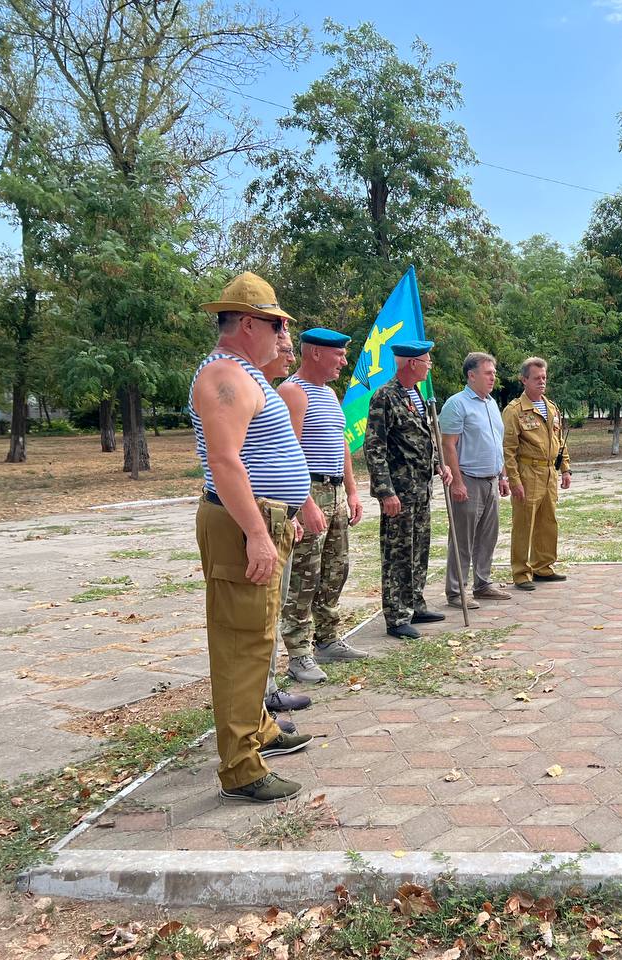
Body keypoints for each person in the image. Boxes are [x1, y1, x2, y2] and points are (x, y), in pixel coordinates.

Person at [191, 272, 312, 804]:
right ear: (247, 323)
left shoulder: (247, 374)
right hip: (243, 525)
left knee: (258, 634)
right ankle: (241, 767)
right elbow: (224, 462)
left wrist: (294, 507)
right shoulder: (224, 375)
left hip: (263, 520)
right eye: (277, 323)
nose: (284, 334)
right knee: (241, 643)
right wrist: (259, 534)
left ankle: (259, 727)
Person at [278, 328, 367, 682]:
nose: (344, 362)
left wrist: (353, 490)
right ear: (315, 353)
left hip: (334, 493)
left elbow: (341, 445)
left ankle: (328, 639)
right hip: (309, 491)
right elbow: (289, 450)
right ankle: (298, 652)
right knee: (304, 574)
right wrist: (303, 502)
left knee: (335, 569)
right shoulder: (292, 392)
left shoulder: (329, 394)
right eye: (338, 355)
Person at [363, 340, 454, 638]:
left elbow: (424, 438)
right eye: (427, 361)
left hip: (421, 488)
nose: (429, 366)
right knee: (398, 552)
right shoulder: (385, 397)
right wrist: (385, 491)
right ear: (412, 363)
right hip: (399, 492)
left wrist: (440, 463)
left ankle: (415, 603)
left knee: (419, 549)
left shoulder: (415, 394)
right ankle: (396, 615)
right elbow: (374, 448)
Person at [257, 330, 311, 731]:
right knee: (257, 619)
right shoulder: (249, 389)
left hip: (279, 518)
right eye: (284, 348)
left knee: (270, 611)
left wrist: (290, 510)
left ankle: (267, 691)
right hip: (258, 521)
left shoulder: (268, 390)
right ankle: (257, 709)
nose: (287, 355)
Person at [439, 352, 510, 609]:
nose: (493, 377)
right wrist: (456, 482)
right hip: (467, 479)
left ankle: (483, 584)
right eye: (488, 373)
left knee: (487, 537)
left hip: (491, 479)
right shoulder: (456, 404)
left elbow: (495, 443)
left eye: (493, 373)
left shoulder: (491, 403)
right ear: (471, 375)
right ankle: (456, 591)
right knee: (462, 538)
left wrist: (502, 475)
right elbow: (448, 445)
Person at [502, 357, 572, 591]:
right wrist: (514, 481)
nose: (542, 382)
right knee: (524, 523)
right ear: (524, 380)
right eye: (536, 378)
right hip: (527, 471)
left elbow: (559, 440)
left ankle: (543, 566)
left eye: (544, 378)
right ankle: (521, 572)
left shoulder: (550, 407)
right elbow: (508, 449)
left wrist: (565, 469)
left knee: (547, 521)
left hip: (548, 471)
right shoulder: (514, 410)